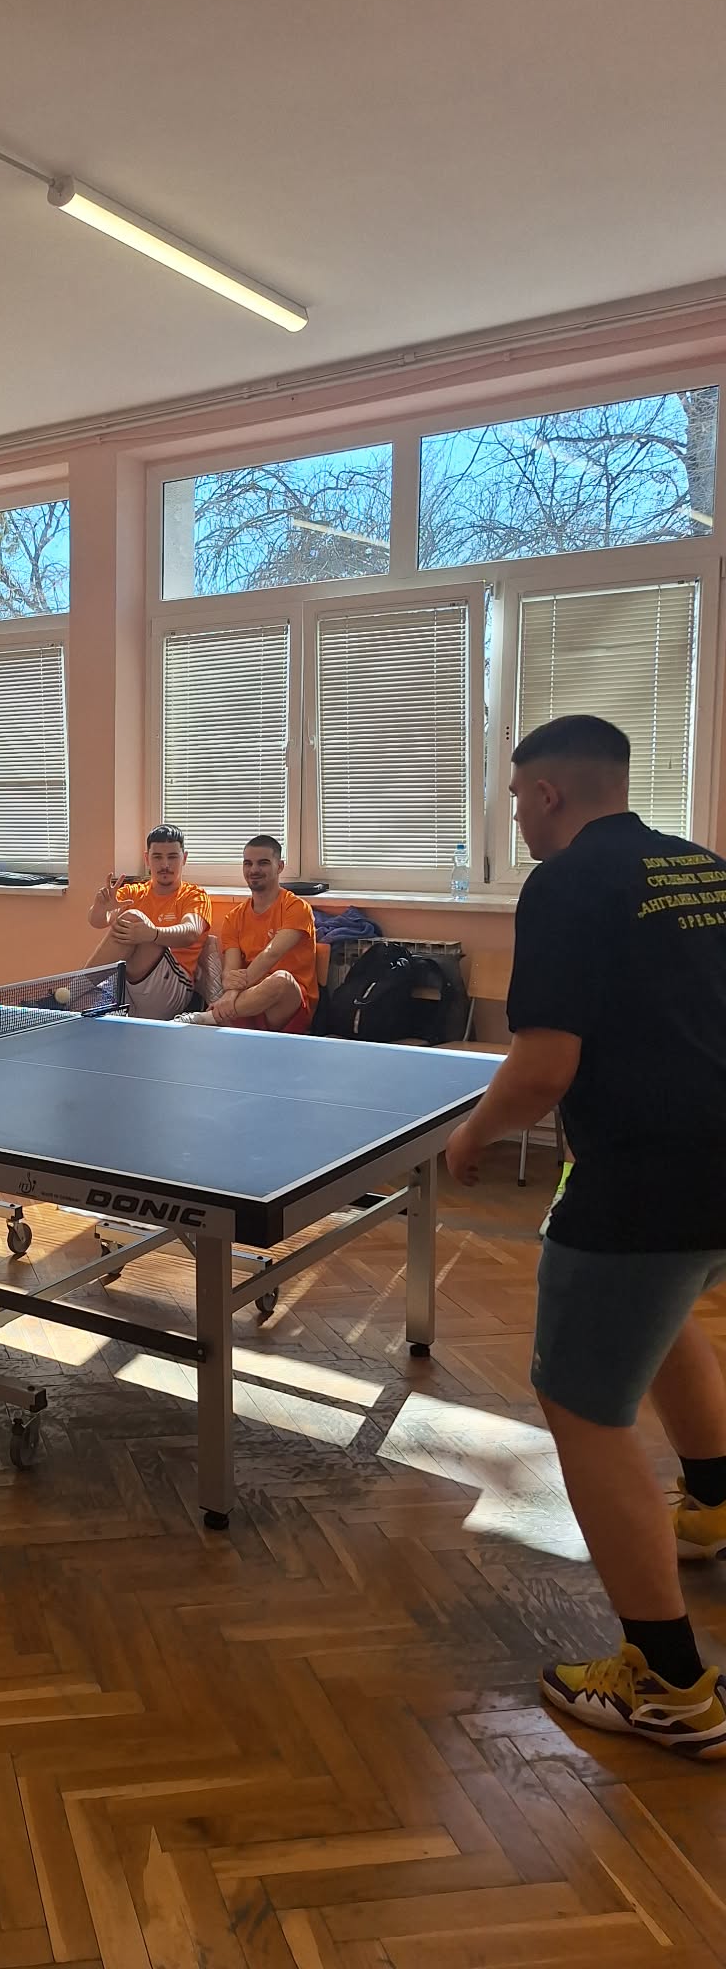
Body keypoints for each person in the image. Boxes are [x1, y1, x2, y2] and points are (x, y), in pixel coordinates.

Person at [446, 714, 726, 1761]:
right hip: (716, 1166)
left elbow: (542, 1068)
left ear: (549, 794)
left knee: (581, 1405)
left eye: (518, 798)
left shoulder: (565, 884)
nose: (517, 817)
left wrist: (473, 1135)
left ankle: (669, 1682)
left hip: (644, 1178)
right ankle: (714, 1502)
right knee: (664, 1317)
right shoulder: (704, 868)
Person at [189, 834, 318, 1032]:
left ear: (280, 867)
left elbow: (271, 954)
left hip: (288, 1004)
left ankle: (209, 1017)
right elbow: (231, 970)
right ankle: (219, 1016)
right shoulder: (234, 917)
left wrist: (231, 993)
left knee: (281, 979)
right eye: (248, 863)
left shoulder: (297, 908)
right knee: (232, 986)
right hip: (247, 1002)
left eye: (263, 863)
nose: (254, 870)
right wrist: (230, 989)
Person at [88, 825, 211, 1019]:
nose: (165, 865)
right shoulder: (134, 892)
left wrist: (152, 934)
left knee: (133, 919)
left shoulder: (194, 895)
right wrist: (101, 908)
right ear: (147, 859)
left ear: (184, 858)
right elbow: (98, 921)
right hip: (128, 985)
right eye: (157, 857)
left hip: (173, 988)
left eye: (172, 857)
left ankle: (71, 993)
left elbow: (191, 931)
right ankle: (70, 998)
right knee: (87, 1006)